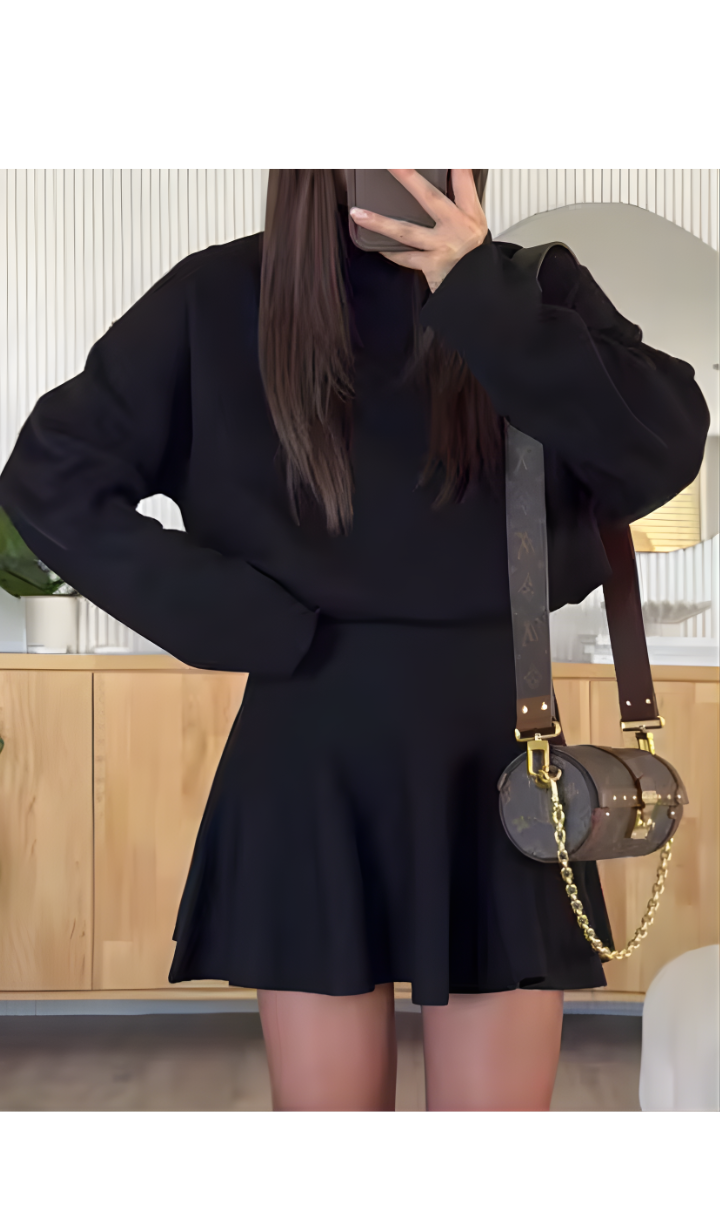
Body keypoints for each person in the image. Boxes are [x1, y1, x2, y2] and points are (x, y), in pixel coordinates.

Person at [0, 170, 709, 1111]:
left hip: (502, 752)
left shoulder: (533, 290)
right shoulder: (220, 297)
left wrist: (478, 294)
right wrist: (240, 617)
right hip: (311, 746)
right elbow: (50, 476)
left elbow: (662, 449)